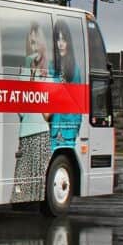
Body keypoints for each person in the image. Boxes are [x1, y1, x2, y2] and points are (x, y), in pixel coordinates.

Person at [11, 21, 51, 203]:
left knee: (38, 183)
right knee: (20, 187)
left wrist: (36, 83)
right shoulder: (24, 71)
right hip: (24, 135)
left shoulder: (49, 74)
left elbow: (47, 114)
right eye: (30, 44)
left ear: (42, 44)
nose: (33, 48)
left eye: (36, 43)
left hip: (40, 135)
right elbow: (20, 109)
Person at [48, 19, 83, 150]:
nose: (61, 44)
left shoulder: (75, 70)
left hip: (69, 132)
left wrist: (75, 128)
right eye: (58, 39)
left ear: (69, 42)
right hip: (53, 131)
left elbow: (79, 103)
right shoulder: (51, 67)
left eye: (64, 39)